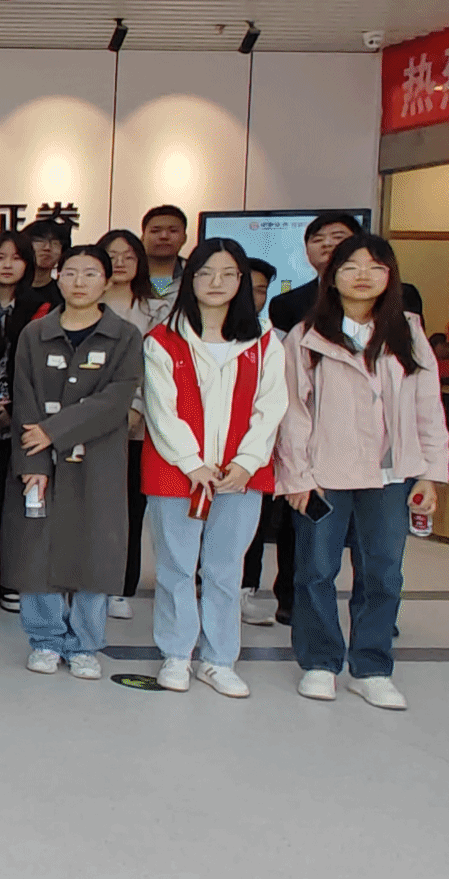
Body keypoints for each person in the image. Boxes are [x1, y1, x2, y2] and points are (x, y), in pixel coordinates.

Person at [276, 235, 446, 710]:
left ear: (390, 276)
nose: (363, 276)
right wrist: (297, 476)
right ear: (332, 277)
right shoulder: (306, 335)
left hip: (391, 475)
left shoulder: (407, 332)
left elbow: (428, 406)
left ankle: (371, 667)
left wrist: (430, 472)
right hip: (324, 474)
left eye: (375, 266)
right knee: (315, 571)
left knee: (383, 574)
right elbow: (292, 412)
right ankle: (319, 663)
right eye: (351, 266)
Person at [141, 237, 286, 699]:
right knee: (176, 566)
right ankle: (177, 653)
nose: (216, 283)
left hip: (241, 475)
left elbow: (272, 406)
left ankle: (220, 659)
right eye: (205, 273)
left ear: (242, 281)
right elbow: (161, 409)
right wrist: (192, 463)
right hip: (176, 472)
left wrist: (246, 462)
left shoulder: (265, 342)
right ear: (190, 280)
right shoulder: (163, 339)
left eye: (227, 274)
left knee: (226, 569)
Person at [3, 244, 143, 682]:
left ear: (107, 281)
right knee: (37, 550)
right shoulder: (34, 333)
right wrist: (35, 458)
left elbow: (116, 398)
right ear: (57, 277)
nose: (79, 282)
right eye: (71, 272)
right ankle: (44, 639)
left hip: (99, 462)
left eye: (90, 273)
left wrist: (54, 430)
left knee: (95, 550)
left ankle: (84, 645)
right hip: (39, 458)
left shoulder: (125, 336)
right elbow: (24, 397)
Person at [0, 231, 42, 612]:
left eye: (16, 258)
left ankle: (11, 579)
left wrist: (14, 407)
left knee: (15, 502)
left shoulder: (43, 307)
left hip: (24, 417)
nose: (7, 265)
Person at [98, 227, 160, 621]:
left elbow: (157, 368)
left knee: (129, 509)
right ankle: (87, 581)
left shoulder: (158, 310)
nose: (120, 263)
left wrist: (135, 405)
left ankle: (120, 587)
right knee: (91, 508)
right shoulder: (83, 301)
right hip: (87, 421)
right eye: (112, 255)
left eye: (128, 256)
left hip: (135, 423)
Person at [267, 212, 425, 333]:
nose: (327, 243)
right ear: (306, 251)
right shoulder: (285, 304)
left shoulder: (403, 294)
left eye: (337, 237)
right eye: (317, 239)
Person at [240, 257, 292, 626]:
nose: (252, 296)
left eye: (260, 290)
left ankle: (245, 591)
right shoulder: (193, 335)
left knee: (252, 526)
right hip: (202, 452)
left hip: (257, 450)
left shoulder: (277, 341)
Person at [141, 206, 189, 308]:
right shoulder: (127, 273)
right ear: (142, 237)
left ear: (184, 238)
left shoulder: (196, 274)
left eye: (173, 231)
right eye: (155, 231)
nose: (164, 236)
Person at [21, 219, 69, 311]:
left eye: (55, 243)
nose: (47, 248)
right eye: (39, 241)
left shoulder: (64, 293)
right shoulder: (11, 290)